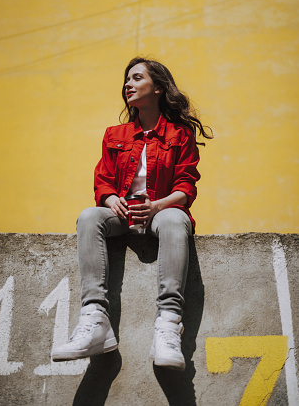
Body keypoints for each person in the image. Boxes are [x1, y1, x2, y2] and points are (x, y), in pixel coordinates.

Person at [52, 57, 212, 371]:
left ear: (158, 88)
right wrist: (110, 198)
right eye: (127, 79)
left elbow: (186, 185)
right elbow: (103, 179)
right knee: (89, 216)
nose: (128, 84)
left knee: (175, 218)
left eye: (137, 78)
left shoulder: (179, 134)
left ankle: (167, 325)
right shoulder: (116, 134)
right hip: (122, 216)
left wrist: (157, 206)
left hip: (160, 213)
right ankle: (94, 320)